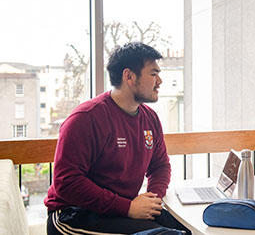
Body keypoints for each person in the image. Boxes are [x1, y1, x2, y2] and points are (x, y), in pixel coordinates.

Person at [44, 42, 191, 235]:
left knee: (188, 229)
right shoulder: (86, 118)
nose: (160, 81)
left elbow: (160, 165)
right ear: (129, 76)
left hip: (121, 210)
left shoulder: (150, 118)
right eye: (153, 74)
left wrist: (151, 201)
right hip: (72, 215)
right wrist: (127, 208)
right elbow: (67, 182)